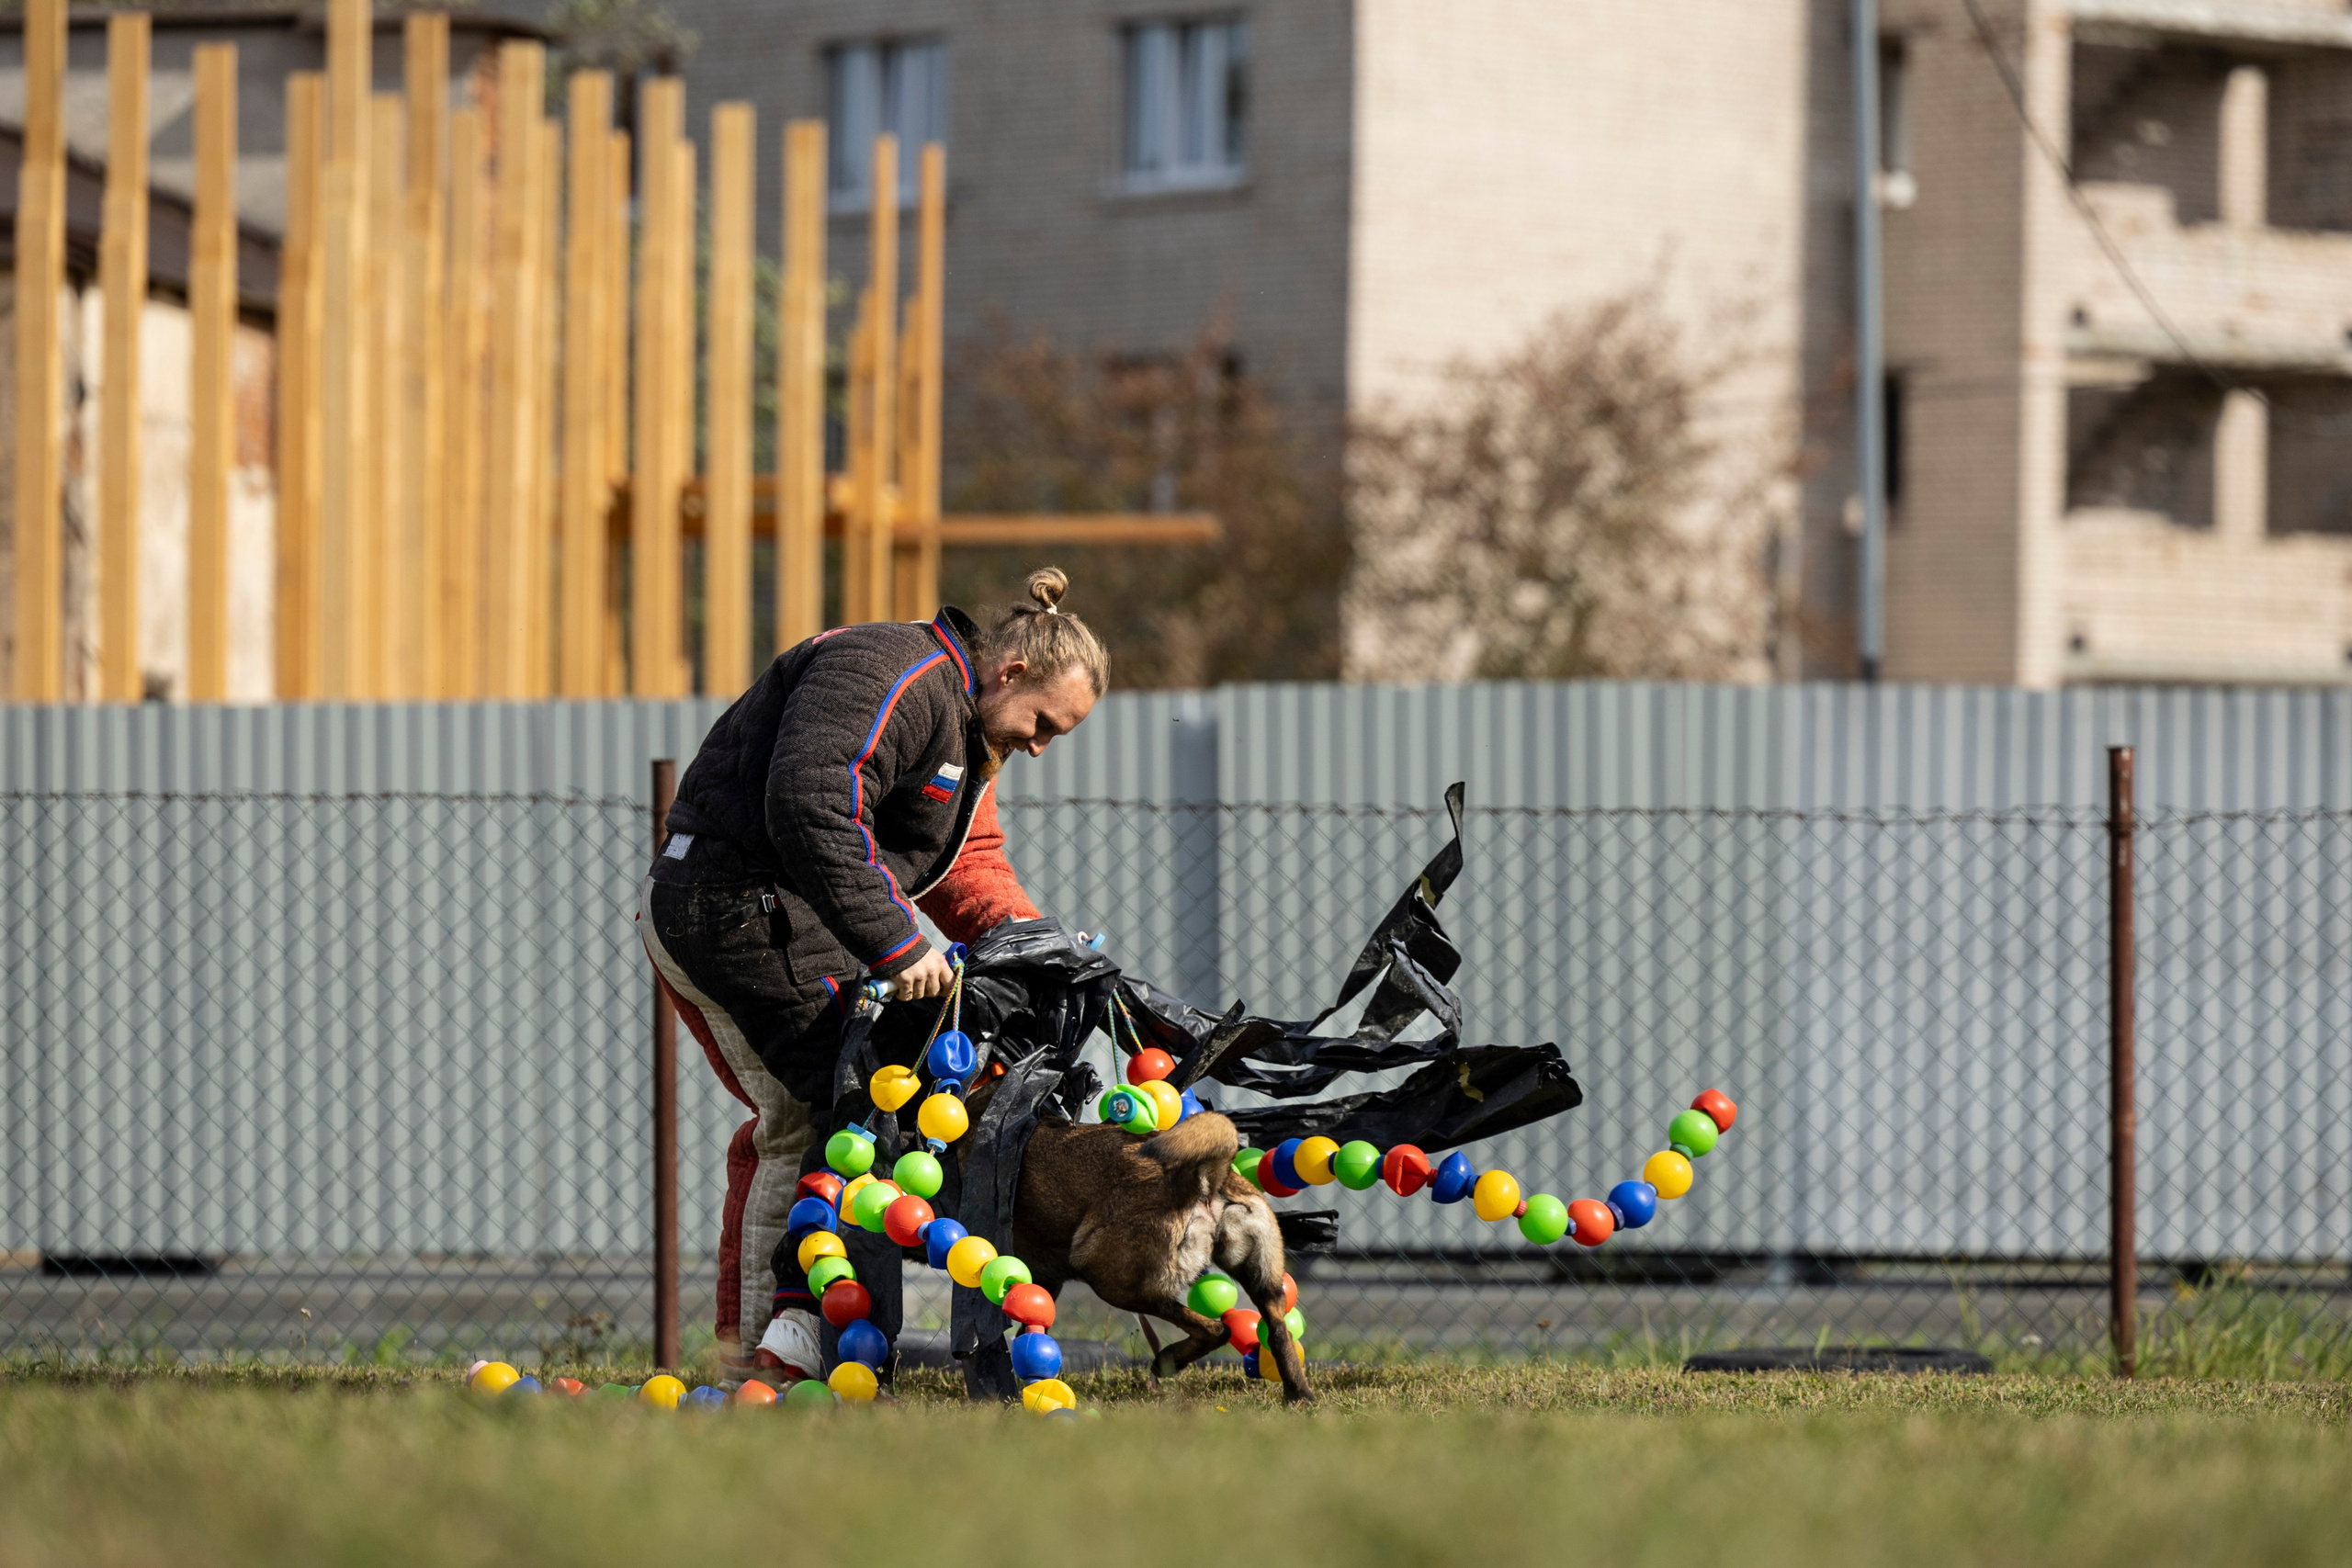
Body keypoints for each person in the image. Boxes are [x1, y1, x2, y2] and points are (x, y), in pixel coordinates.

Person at [638, 568, 1108, 1383]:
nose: (1039, 745)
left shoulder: (970, 732)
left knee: (860, 1099)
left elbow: (971, 867)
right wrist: (898, 944)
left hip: (782, 914)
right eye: (1044, 725)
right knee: (824, 1104)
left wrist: (1041, 953)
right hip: (726, 905)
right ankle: (761, 1357)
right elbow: (810, 800)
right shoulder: (889, 671)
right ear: (1012, 671)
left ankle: (812, 1338)